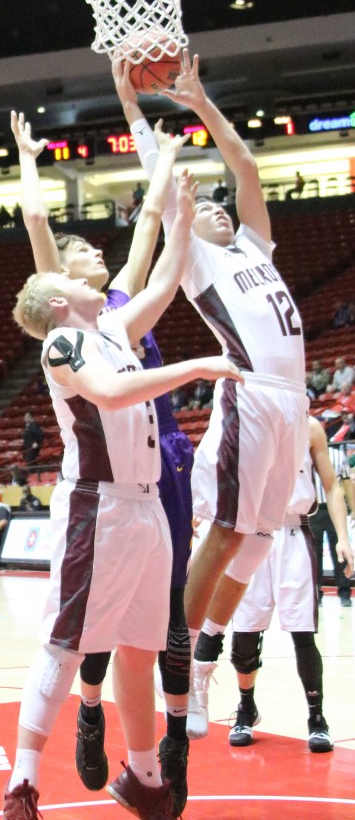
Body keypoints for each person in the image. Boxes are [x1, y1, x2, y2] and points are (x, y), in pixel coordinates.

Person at [6, 182, 242, 820]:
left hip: (145, 506)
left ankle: (142, 777)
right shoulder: (63, 343)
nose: (99, 278)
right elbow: (111, 394)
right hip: (98, 507)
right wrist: (197, 367)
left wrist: (182, 219)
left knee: (140, 646)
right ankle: (22, 784)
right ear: (59, 299)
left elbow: (163, 285)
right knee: (68, 643)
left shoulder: (109, 326)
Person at [116, 50, 309, 741]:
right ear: (187, 228)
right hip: (249, 394)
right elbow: (160, 185)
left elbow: (246, 169)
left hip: (292, 400)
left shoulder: (255, 251)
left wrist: (199, 100)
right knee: (226, 532)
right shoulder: (196, 259)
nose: (223, 211)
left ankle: (204, 660)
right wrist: (133, 107)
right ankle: (182, 668)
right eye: (209, 210)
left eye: (225, 210)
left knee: (259, 540)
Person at [228, 416, 353, 750]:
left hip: (294, 531)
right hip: (250, 532)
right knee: (245, 633)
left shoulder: (310, 427)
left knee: (302, 633)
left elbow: (331, 485)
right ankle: (246, 706)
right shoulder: (246, 421)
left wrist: (343, 538)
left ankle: (316, 717)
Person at [309, 436, 353, 607]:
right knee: (315, 555)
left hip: (334, 509)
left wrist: (354, 509)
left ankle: (344, 593)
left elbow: (346, 483)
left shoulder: (337, 456)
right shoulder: (306, 456)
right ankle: (317, 594)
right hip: (313, 510)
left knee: (340, 554)